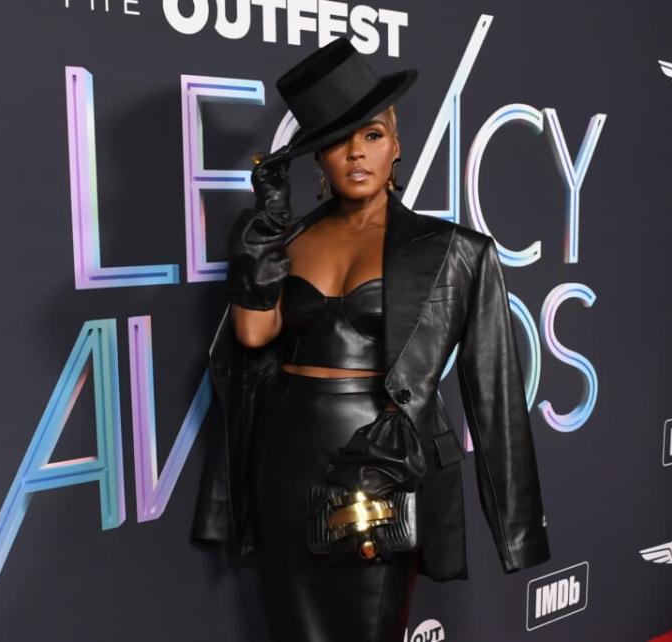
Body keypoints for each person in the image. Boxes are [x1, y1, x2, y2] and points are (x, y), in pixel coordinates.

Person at [192, 38, 551, 642]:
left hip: (383, 461)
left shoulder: (455, 252)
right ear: (317, 159)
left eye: (373, 136)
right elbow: (254, 333)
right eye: (337, 140)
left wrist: (517, 530)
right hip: (285, 457)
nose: (356, 153)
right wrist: (263, 235)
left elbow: (495, 395)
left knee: (371, 629)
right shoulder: (286, 239)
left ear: (397, 143)